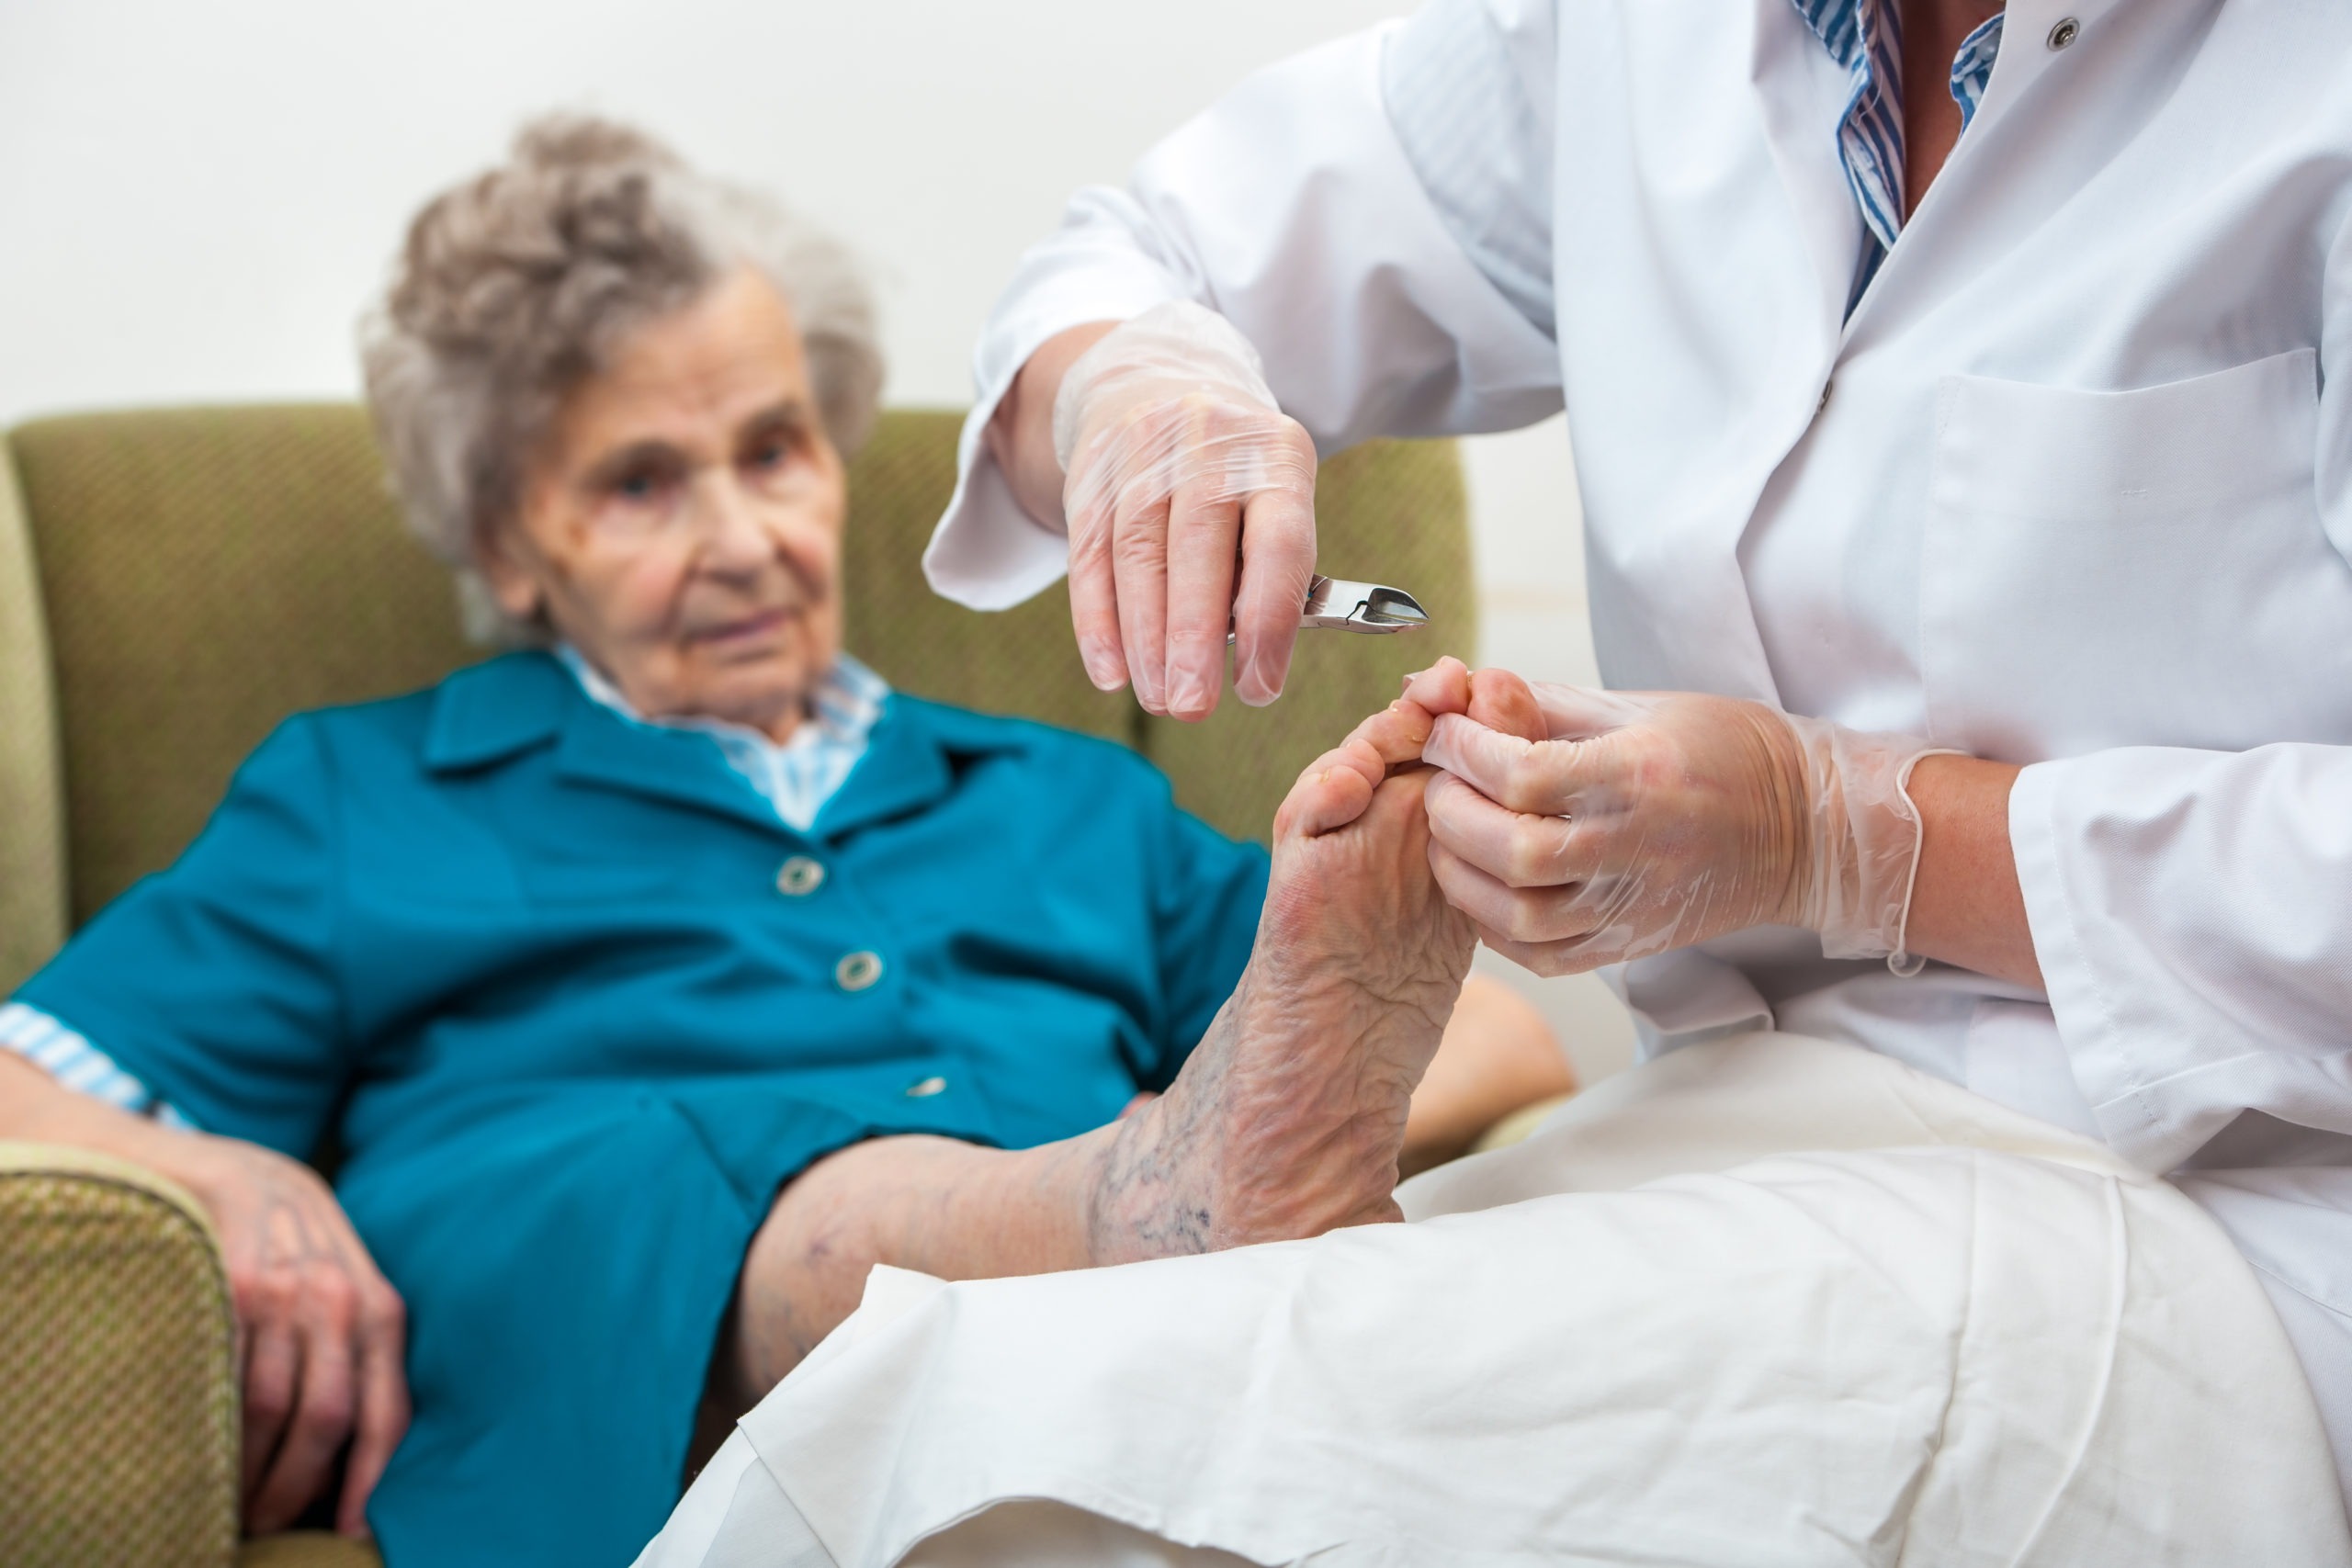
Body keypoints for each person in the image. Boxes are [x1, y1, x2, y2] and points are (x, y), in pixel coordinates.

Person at [640, 0, 2352, 1560]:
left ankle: (1177, 1192)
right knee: (924, 1416)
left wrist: (1863, 837)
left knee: (1016, 1483)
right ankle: (1180, 1187)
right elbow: (1141, 255)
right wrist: (1138, 392)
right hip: (1741, 1140)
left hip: (2226, 1200)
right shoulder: (1648, 39)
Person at [0, 116, 1574, 1565]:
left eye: (771, 451)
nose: (742, 537)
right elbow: (24, 1081)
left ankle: (1141, 1219)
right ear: (507, 544)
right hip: (604, 1309)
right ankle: (1131, 1214)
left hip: (1084, 1361)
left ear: (833, 459)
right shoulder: (367, 798)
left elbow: (1496, 1038)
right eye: (638, 484)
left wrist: (1248, 1087)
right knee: (691, 1173)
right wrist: (195, 1165)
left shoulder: (1062, 797)